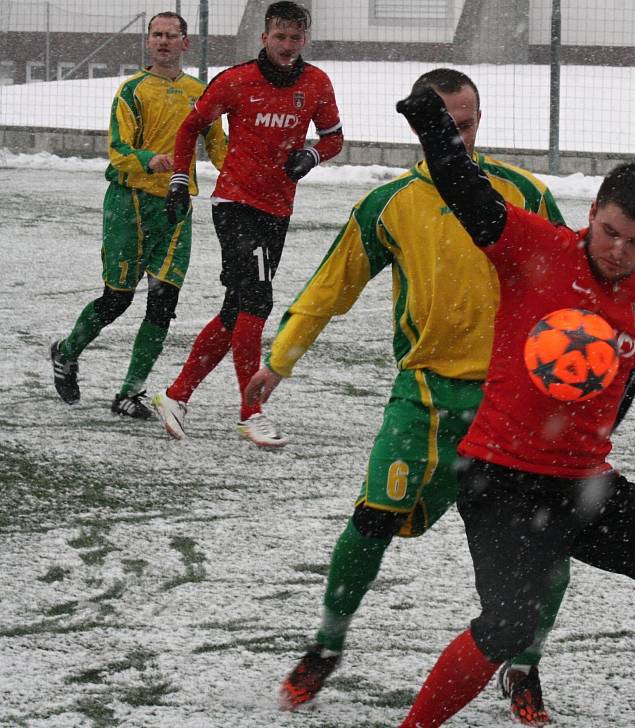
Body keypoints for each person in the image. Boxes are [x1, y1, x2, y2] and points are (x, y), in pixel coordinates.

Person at [244, 69, 570, 725]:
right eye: (445, 124)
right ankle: (327, 643)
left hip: (511, 408)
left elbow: (571, 282)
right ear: (420, 123)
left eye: (468, 123)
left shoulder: (524, 193)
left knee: (548, 546)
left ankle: (524, 664)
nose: (458, 137)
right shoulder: (392, 204)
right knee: (372, 521)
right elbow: (331, 285)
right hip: (421, 401)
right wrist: (279, 360)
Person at [394, 87, 635, 728]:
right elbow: (467, 192)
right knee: (510, 622)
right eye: (610, 232)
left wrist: (582, 448)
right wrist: (435, 127)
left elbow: (622, 394)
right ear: (592, 211)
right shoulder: (535, 248)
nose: (619, 251)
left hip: (583, 483)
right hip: (500, 477)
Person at [151, 0, 343, 445]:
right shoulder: (236, 80)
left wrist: (310, 155)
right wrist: (181, 180)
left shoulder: (315, 83)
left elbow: (334, 139)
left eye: (296, 38)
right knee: (257, 301)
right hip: (235, 204)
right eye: (280, 37)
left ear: (304, 39)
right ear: (264, 37)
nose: (288, 46)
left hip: (278, 209)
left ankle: (176, 395)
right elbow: (190, 127)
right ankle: (250, 411)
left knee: (237, 309)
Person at [50, 11, 227, 417]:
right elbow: (119, 150)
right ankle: (67, 350)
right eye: (157, 35)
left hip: (176, 207)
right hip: (129, 204)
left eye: (171, 35)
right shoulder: (131, 91)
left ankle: (130, 392)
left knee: (164, 301)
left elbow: (219, 147)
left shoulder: (200, 93)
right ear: (148, 42)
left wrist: (252, 171)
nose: (163, 41)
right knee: (117, 299)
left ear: (186, 42)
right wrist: (151, 160)